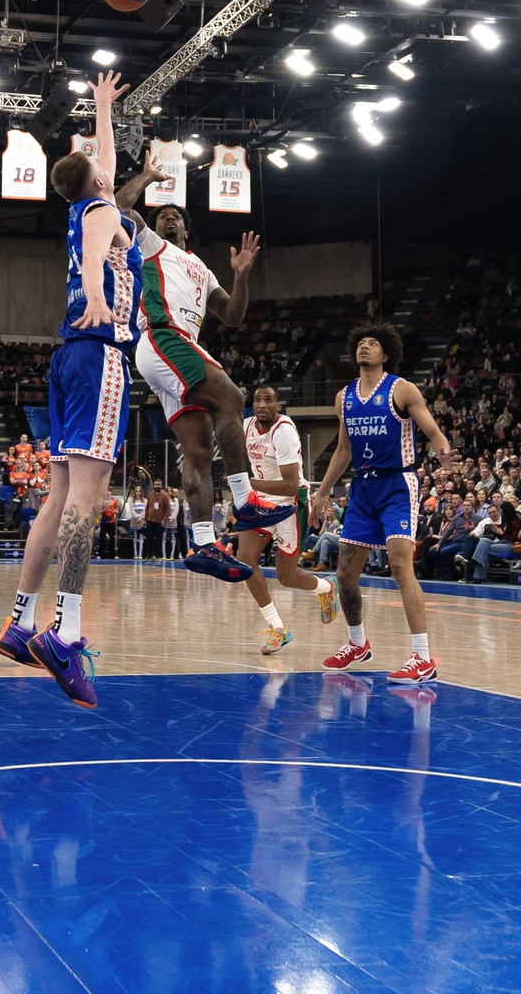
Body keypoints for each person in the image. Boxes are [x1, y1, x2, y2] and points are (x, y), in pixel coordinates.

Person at [0, 72, 146, 708]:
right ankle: (66, 631)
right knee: (90, 496)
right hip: (100, 355)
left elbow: (101, 166)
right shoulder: (103, 212)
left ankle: (22, 619)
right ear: (97, 184)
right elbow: (91, 254)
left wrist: (104, 107)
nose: (108, 171)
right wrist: (101, 293)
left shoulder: (88, 201)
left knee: (58, 498)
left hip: (67, 361)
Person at [112, 170, 295, 578]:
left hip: (173, 350)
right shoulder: (149, 244)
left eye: (176, 214)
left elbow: (232, 316)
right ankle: (245, 500)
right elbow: (121, 206)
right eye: (162, 215)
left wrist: (242, 275)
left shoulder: (201, 268)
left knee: (198, 450)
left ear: (187, 230)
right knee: (231, 398)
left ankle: (202, 543)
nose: (169, 217)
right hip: (164, 336)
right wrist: (146, 176)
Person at [309, 323, 451, 683]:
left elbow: (431, 430)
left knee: (401, 566)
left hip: (397, 485)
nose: (365, 347)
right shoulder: (345, 397)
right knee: (344, 574)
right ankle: (357, 643)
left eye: (373, 344)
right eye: (361, 343)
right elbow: (343, 449)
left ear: (385, 353)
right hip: (363, 488)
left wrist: (443, 450)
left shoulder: (401, 389)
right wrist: (323, 491)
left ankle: (422, 657)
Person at [232, 384, 336, 653]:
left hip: (290, 503)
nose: (261, 404)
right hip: (262, 501)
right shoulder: (246, 426)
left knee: (286, 577)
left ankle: (325, 587)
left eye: (268, 400)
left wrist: (247, 482)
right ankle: (278, 628)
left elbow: (290, 485)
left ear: (278, 406)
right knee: (245, 561)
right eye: (257, 400)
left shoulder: (285, 432)